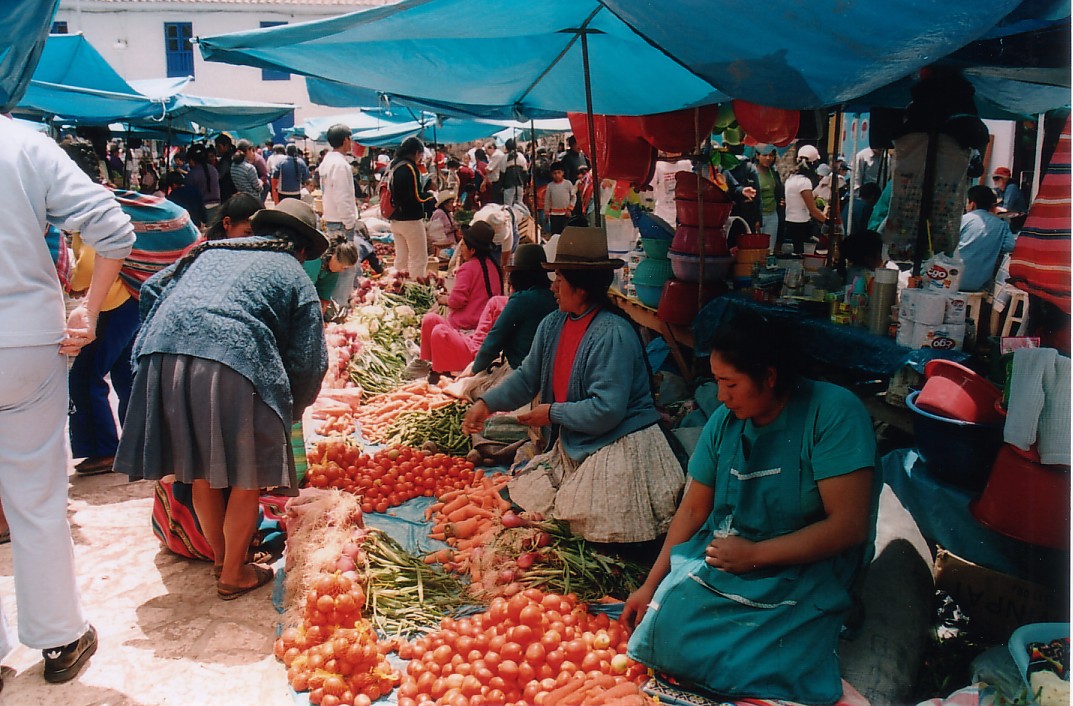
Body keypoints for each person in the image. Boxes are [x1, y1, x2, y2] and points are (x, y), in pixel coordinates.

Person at [623, 310, 877, 705]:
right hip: (733, 556)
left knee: (774, 660)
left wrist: (757, 555)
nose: (721, 396)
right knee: (667, 631)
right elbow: (692, 511)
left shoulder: (832, 413)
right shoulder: (725, 422)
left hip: (807, 563)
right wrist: (649, 585)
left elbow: (848, 526)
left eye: (730, 383)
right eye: (718, 382)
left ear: (770, 376)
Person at [115, 199, 328, 599]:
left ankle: (221, 560)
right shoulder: (294, 273)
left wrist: (157, 342)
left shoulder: (208, 252)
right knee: (246, 477)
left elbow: (152, 289)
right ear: (302, 248)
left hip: (163, 355)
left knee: (200, 470)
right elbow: (309, 361)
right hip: (233, 358)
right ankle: (235, 574)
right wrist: (288, 409)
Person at [0, 116, 135, 685]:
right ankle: (59, 637)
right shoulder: (22, 143)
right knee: (35, 495)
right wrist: (89, 307)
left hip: (26, 337)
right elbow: (114, 227)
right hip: (24, 339)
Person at [461, 227, 685, 549]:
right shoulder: (553, 324)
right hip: (581, 439)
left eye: (559, 280)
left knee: (592, 526)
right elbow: (528, 376)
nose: (553, 287)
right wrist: (486, 403)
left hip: (619, 441)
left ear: (580, 289)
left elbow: (607, 410)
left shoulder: (612, 334)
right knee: (526, 498)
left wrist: (552, 413)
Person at [464, 243, 558, 394]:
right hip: (547, 374)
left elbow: (494, 340)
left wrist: (474, 370)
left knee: (468, 389)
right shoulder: (554, 298)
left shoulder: (521, 300)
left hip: (522, 375)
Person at [388, 136, 436, 278]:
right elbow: (416, 196)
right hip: (410, 221)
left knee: (401, 259)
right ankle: (416, 288)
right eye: (421, 155)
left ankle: (398, 288)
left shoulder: (393, 165)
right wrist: (430, 194)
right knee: (418, 258)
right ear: (416, 153)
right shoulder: (409, 167)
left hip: (395, 219)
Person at [958, 184, 1017, 292]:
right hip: (978, 284)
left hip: (950, 278)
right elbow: (1011, 246)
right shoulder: (1001, 225)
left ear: (972, 204)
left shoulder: (963, 219)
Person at [781, 144, 827, 254]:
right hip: (802, 225)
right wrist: (828, 222)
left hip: (789, 223)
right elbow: (813, 210)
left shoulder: (790, 178)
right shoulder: (804, 182)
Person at [304, 241, 360, 314]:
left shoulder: (333, 271)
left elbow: (324, 295)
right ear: (334, 257)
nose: (342, 270)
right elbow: (304, 294)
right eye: (343, 267)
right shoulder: (313, 262)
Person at [185, 143, 221, 222]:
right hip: (217, 208)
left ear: (191, 160)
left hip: (201, 211)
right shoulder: (213, 169)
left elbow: (189, 197)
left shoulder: (192, 174)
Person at [991, 166, 1028, 231]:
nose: (994, 181)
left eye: (996, 178)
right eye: (993, 178)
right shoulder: (999, 190)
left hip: (1018, 222)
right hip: (1008, 220)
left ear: (1005, 179)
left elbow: (1005, 208)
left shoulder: (1011, 188)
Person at [545, 162, 576, 235]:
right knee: (555, 234)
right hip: (554, 214)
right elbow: (547, 199)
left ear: (563, 173)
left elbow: (573, 197)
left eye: (559, 172)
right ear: (551, 174)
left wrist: (570, 209)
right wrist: (546, 212)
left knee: (566, 234)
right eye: (554, 173)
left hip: (565, 213)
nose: (557, 175)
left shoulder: (568, 184)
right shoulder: (550, 186)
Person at [427, 190, 460, 258]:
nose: (452, 205)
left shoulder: (448, 214)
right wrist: (452, 229)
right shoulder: (439, 213)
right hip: (444, 247)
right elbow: (435, 232)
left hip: (452, 244)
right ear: (445, 204)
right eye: (451, 202)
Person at [500, 138, 529, 207]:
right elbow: (525, 173)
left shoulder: (505, 158)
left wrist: (501, 186)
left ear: (506, 147)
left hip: (508, 186)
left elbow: (502, 174)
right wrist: (524, 185)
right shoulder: (521, 156)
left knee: (508, 207)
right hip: (520, 185)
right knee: (519, 205)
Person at [213, 134, 237, 204]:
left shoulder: (226, 160)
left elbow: (219, 176)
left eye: (218, 147)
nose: (216, 149)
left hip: (227, 193)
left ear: (226, 146)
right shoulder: (232, 156)